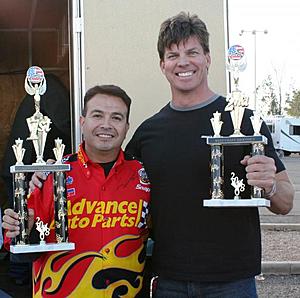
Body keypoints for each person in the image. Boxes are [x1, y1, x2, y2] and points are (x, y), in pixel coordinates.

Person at [125, 12, 294, 297]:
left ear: (208, 58)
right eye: (173, 54)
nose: (183, 62)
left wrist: (271, 186)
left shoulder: (245, 122)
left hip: (232, 280)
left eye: (192, 52)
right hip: (168, 280)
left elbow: (285, 202)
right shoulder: (148, 133)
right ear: (162, 65)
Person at [3, 85, 151, 297]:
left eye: (117, 118)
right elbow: (24, 251)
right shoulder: (51, 175)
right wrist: (21, 228)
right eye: (97, 115)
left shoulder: (143, 175)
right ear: (82, 122)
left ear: (127, 126)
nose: (106, 125)